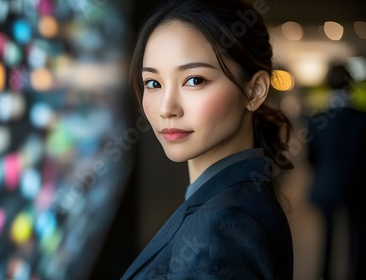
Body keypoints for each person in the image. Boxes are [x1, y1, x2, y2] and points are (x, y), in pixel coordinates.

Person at [122, 0, 294, 279]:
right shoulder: (232, 200)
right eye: (153, 83)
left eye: (194, 80)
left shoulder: (222, 226)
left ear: (255, 91)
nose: (167, 108)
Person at [307, 65, 366, 280]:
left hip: (326, 185)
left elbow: (312, 158)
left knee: (327, 234)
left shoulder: (316, 119)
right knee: (356, 235)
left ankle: (325, 274)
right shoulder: (361, 118)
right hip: (357, 186)